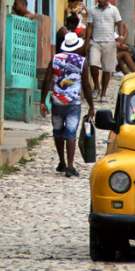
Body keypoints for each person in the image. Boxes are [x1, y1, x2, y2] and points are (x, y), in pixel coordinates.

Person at [40, 32, 95, 178]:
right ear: (77, 46)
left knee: (57, 131)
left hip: (57, 101)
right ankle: (70, 167)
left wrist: (42, 101)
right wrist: (91, 106)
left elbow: (46, 80)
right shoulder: (82, 61)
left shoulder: (55, 58)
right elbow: (87, 86)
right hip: (73, 102)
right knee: (71, 132)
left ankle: (61, 162)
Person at [88, 0, 122, 101]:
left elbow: (119, 23)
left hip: (109, 42)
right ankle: (96, 86)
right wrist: (86, 43)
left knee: (107, 69)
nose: (100, 0)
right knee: (93, 64)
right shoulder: (93, 10)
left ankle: (103, 93)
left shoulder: (113, 10)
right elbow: (90, 27)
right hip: (95, 42)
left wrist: (120, 37)